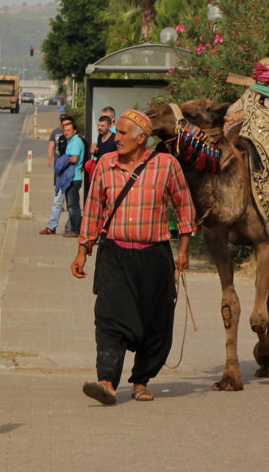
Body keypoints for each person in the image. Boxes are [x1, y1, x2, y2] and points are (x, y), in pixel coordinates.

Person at [71, 109, 195, 405]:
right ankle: (107, 382)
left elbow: (185, 208)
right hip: (114, 254)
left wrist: (184, 250)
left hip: (154, 258)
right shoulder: (105, 164)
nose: (118, 139)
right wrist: (82, 251)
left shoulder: (166, 165)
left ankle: (141, 380)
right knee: (108, 318)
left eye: (124, 133)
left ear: (142, 138)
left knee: (155, 321)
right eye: (117, 133)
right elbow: (92, 210)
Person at [41, 117, 82, 236]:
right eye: (64, 129)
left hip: (72, 178)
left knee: (72, 206)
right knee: (66, 204)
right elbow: (52, 147)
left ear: (74, 130)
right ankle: (59, 226)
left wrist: (62, 162)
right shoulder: (67, 141)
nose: (66, 132)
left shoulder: (76, 141)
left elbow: (74, 159)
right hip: (65, 177)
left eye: (68, 129)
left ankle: (74, 229)